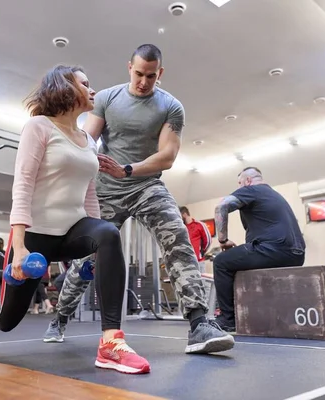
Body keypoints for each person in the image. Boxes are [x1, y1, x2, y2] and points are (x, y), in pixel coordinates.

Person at [0, 64, 151, 375]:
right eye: (85, 84)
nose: (92, 90)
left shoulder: (89, 140)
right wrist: (18, 247)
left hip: (72, 231)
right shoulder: (39, 127)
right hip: (35, 239)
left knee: (109, 234)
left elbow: (89, 196)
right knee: (5, 321)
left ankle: (110, 343)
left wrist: (94, 247)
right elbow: (23, 185)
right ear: (65, 87)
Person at [44, 44, 234, 355]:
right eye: (138, 74)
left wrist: (128, 170)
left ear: (160, 73)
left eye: (150, 76)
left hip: (145, 185)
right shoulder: (106, 98)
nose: (143, 81)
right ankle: (60, 317)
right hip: (105, 189)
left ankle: (199, 323)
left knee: (177, 236)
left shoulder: (171, 106)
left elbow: (168, 156)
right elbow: (89, 141)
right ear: (128, 67)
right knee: (86, 261)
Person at [211, 167, 306, 332]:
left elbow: (221, 207)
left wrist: (223, 240)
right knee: (239, 258)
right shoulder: (274, 195)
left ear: (247, 181)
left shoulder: (252, 190)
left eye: (240, 183)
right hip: (297, 254)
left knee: (221, 262)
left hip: (273, 250)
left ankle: (227, 319)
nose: (239, 187)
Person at [179, 206, 212, 273]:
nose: (179, 218)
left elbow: (208, 241)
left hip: (198, 261)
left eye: (180, 216)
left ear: (184, 214)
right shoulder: (182, 228)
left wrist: (201, 252)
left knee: (201, 282)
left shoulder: (199, 224)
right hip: (187, 263)